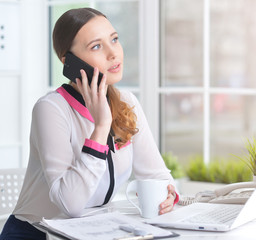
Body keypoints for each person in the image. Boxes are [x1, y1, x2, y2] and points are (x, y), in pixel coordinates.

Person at [0, 7, 178, 240]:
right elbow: (70, 204)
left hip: (94, 229)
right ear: (69, 62)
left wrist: (168, 195)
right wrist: (102, 126)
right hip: (36, 233)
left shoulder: (127, 102)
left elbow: (157, 176)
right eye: (96, 46)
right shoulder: (51, 109)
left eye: (114, 40)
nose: (113, 53)